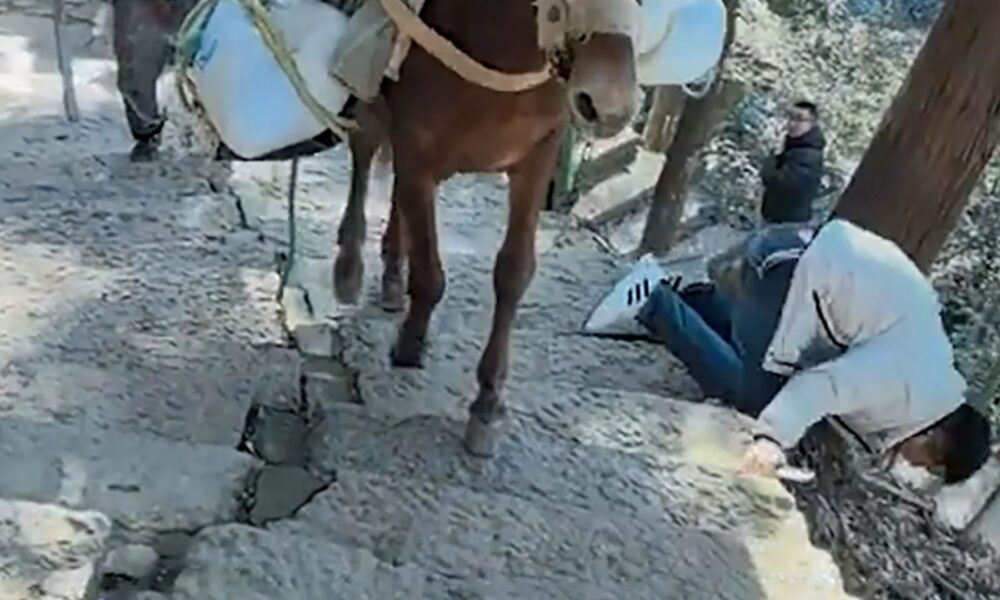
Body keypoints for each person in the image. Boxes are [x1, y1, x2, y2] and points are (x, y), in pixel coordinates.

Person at [636, 218, 992, 485]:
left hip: (799, 261)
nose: (915, 466)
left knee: (766, 373)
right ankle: (651, 299)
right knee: (753, 401)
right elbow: (825, 385)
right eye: (929, 465)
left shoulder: (929, 377)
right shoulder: (908, 388)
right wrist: (771, 439)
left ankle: (688, 299)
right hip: (790, 270)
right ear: (936, 439)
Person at [759, 100, 826, 223]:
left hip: (787, 224)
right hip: (777, 220)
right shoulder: (795, 148)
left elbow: (774, 181)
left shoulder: (808, 156)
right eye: (790, 117)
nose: (792, 123)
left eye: (799, 119)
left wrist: (772, 157)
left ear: (812, 123)